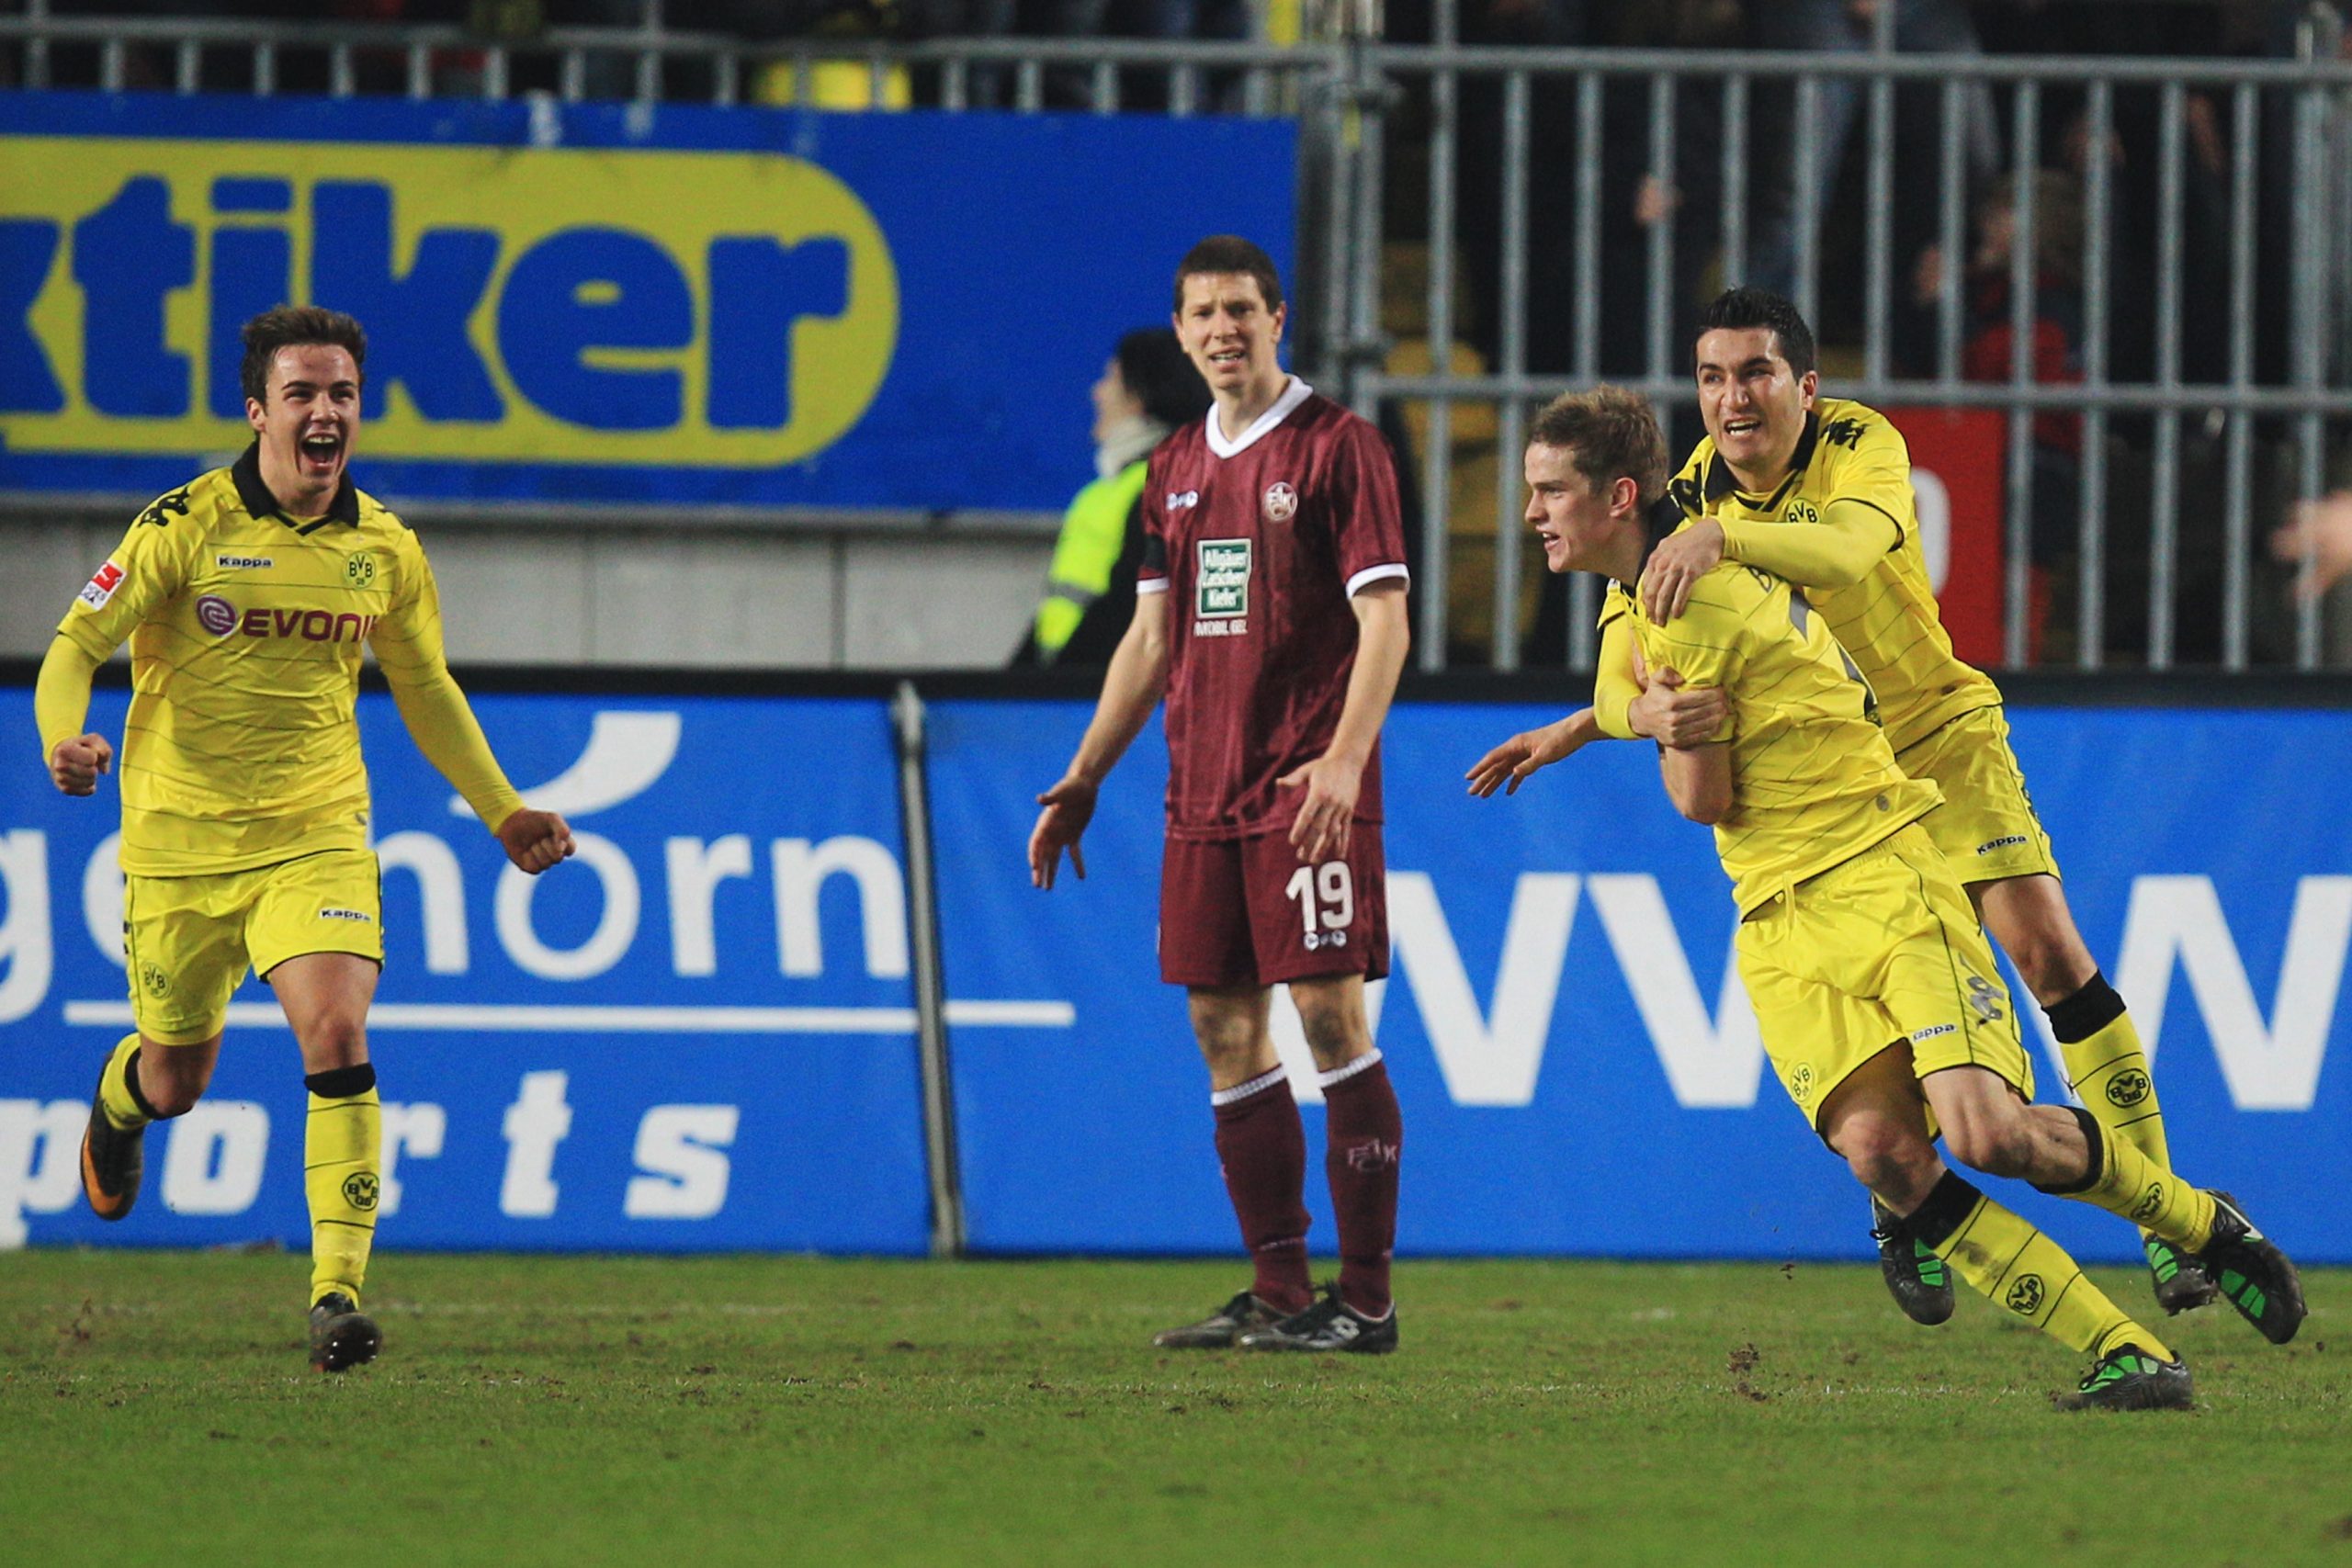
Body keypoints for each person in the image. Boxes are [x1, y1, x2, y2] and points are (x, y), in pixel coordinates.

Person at [1481, 385, 2302, 1409]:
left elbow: (1702, 798)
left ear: (1614, 497)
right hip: (1776, 915)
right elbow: (1621, 685)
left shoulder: (1711, 585)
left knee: (1991, 1135)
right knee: (1883, 1153)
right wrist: (1610, 719)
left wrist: (1659, 721)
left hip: (1880, 874)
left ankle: (2200, 1225)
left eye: (1548, 491)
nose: (1528, 514)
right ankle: (2130, 1354)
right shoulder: (1645, 584)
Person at [38, 305, 574, 1373]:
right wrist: (64, 737)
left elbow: (424, 688)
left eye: (341, 395)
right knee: (177, 1080)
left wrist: (502, 809)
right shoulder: (180, 527)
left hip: (316, 833)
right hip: (178, 846)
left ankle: (336, 1295)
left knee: (334, 1031)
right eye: (302, 394)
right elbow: (74, 643)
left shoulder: (384, 548)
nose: (325, 412)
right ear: (258, 411)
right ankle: (118, 1100)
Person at [1027, 236, 1412, 1353]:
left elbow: (1384, 619)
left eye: (1240, 308)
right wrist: (1086, 774)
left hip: (1306, 791)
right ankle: (1282, 1292)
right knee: (1219, 1026)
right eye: (1201, 313)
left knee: (1330, 1018)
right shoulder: (1174, 469)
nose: (1221, 329)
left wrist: (1344, 759)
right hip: (1201, 791)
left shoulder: (1342, 448)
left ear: (1276, 317)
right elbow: (1151, 639)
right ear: (1183, 328)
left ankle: (1369, 1302)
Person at [1014, 328, 1210, 667]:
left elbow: (1126, 611)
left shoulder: (1167, 491)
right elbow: (1059, 609)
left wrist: (1054, 683)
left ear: (1138, 397)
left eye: (1111, 379)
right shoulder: (1104, 492)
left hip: (1097, 697)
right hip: (1058, 699)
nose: (1097, 392)